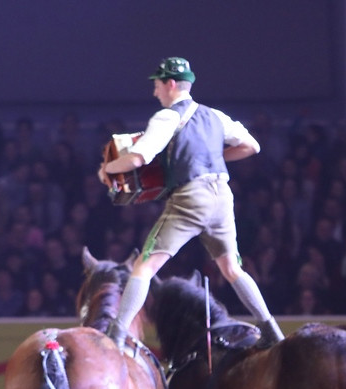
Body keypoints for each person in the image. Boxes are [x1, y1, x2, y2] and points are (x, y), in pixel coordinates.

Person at [98, 57, 283, 349]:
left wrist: (106, 169)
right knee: (232, 268)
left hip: (190, 196)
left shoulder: (167, 117)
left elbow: (138, 158)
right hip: (222, 196)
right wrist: (218, 158)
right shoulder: (216, 116)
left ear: (171, 84)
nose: (155, 92)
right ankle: (272, 330)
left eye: (157, 85)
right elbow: (251, 146)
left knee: (143, 267)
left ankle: (116, 335)